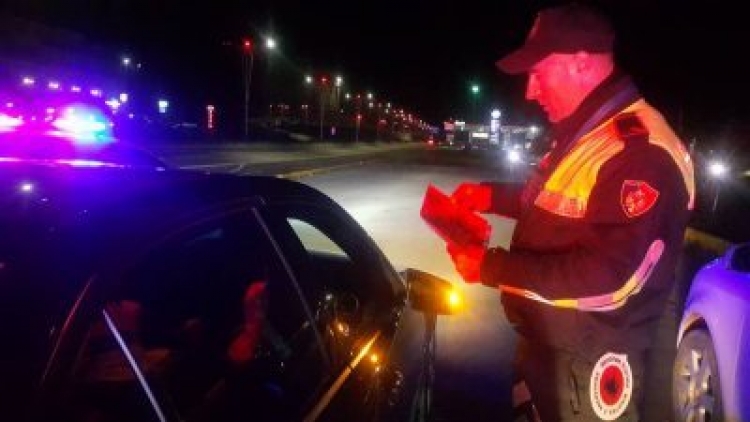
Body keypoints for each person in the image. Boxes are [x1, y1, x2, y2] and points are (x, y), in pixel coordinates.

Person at [445, 3, 695, 420]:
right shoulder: (590, 136)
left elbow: (610, 277)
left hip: (589, 368)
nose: (529, 91)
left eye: (537, 73)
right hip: (554, 351)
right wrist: (487, 197)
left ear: (581, 63)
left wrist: (490, 268)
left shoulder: (640, 153)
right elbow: (555, 203)